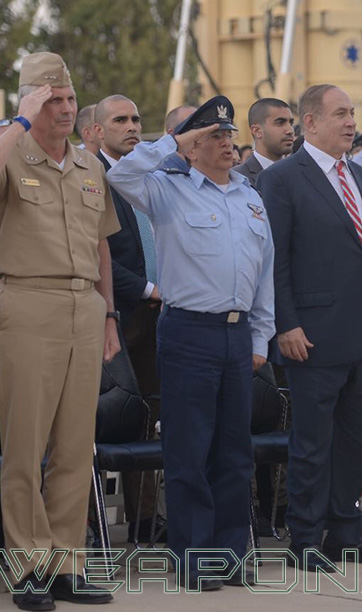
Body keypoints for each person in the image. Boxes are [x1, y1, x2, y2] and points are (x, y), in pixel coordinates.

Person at [0, 51, 120, 609]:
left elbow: (102, 242)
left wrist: (109, 313)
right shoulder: (8, 153)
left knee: (77, 445)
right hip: (27, 302)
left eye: (70, 99)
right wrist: (18, 123)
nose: (64, 108)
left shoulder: (87, 164)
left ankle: (65, 564)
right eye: (50, 99)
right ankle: (27, 566)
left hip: (84, 307)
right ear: (30, 101)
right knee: (26, 444)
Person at [108, 96, 275, 589]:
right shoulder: (167, 189)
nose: (227, 144)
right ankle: (194, 557)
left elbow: (262, 273)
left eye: (229, 136)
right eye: (215, 137)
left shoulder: (249, 196)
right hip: (188, 332)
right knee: (190, 449)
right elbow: (121, 176)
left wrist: (260, 335)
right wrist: (174, 142)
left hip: (238, 332)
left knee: (234, 451)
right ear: (194, 145)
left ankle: (231, 554)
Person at [257, 83, 362, 571]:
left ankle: (346, 533)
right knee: (312, 444)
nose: (349, 121)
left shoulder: (360, 175)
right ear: (309, 123)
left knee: (355, 442)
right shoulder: (284, 179)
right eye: (339, 113)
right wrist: (285, 324)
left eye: (352, 113)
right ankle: (306, 539)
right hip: (311, 336)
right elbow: (274, 260)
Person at [94, 94, 165, 543]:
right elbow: (99, 254)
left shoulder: (150, 177)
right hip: (119, 315)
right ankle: (97, 525)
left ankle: (145, 521)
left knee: (157, 414)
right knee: (121, 417)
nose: (132, 126)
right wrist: (147, 289)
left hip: (165, 315)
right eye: (120, 120)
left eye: (137, 118)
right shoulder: (92, 177)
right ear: (97, 131)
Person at [235, 98, 295, 189]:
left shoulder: (303, 174)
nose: (290, 130)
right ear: (257, 131)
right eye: (280, 123)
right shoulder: (237, 178)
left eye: (291, 123)